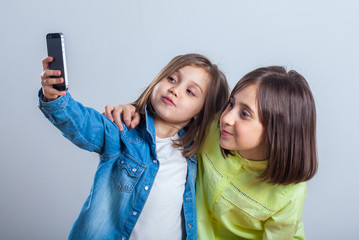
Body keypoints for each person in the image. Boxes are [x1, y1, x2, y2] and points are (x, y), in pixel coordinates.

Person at [105, 66, 318, 239]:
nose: (226, 118)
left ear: (277, 132)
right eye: (231, 104)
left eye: (244, 114)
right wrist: (135, 109)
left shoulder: (290, 194)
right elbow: (170, 117)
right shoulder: (212, 129)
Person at [38, 53, 229, 240]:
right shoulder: (122, 130)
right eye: (171, 79)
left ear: (201, 112)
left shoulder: (195, 153)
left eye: (190, 92)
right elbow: (85, 124)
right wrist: (56, 98)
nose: (175, 90)